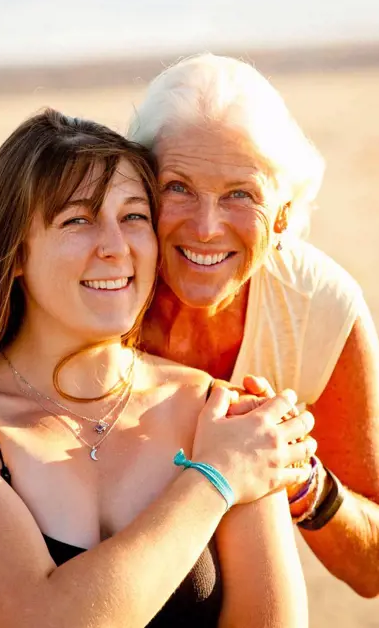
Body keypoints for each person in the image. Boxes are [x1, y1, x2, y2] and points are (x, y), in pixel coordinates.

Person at [0, 109, 314, 628]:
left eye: (133, 216)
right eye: (78, 220)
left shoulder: (222, 414)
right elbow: (44, 621)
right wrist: (215, 481)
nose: (115, 247)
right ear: (14, 252)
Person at [128, 53, 379, 597]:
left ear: (284, 215)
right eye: (178, 187)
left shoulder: (321, 307)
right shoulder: (92, 282)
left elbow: (372, 569)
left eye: (239, 194)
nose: (206, 227)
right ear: (140, 189)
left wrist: (300, 477)